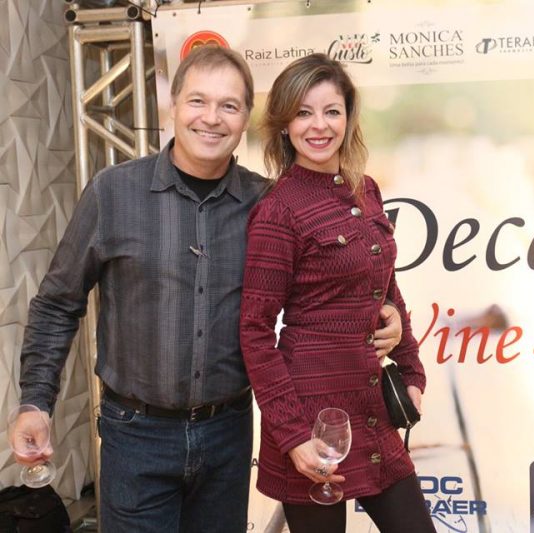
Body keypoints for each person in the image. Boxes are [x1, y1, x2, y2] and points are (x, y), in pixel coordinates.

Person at [14, 46, 402, 532]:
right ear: (173, 105)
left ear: (246, 119)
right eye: (198, 101)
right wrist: (35, 402)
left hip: (227, 436)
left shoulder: (267, 203)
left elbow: (337, 278)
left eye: (229, 106)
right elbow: (57, 304)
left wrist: (386, 310)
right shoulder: (113, 193)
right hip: (135, 437)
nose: (212, 118)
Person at [240, 53, 436, 532]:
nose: (319, 125)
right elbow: (255, 330)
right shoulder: (278, 210)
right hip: (312, 419)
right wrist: (291, 436)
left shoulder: (366, 190)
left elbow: (387, 288)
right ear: (284, 124)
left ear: (348, 118)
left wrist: (411, 368)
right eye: (304, 113)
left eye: (332, 111)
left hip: (371, 413)